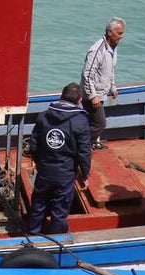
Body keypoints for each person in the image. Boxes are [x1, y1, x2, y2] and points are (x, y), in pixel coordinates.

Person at [25, 82, 92, 235]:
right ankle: (56, 237)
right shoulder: (81, 121)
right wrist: (85, 174)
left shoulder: (43, 116)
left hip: (45, 170)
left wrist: (39, 162)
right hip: (66, 172)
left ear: (61, 96)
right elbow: (84, 152)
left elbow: (34, 145)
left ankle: (32, 235)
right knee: (60, 208)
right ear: (79, 100)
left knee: (39, 204)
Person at [80, 17, 125, 150]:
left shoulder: (113, 48)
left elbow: (110, 70)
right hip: (92, 95)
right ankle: (82, 146)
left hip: (102, 93)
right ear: (110, 32)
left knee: (93, 122)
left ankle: (90, 144)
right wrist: (93, 96)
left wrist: (112, 87)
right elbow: (87, 74)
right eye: (119, 33)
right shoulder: (97, 50)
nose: (121, 36)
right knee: (100, 123)